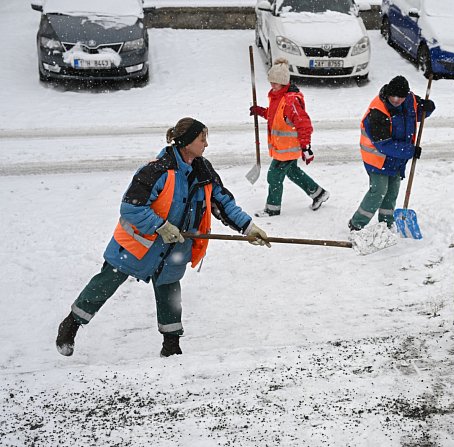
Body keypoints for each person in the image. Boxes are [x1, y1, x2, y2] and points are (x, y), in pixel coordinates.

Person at [56, 117, 271, 358]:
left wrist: (248, 227)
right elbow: (131, 208)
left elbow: (223, 203)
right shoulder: (157, 170)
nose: (206, 145)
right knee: (106, 282)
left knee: (169, 291)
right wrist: (161, 226)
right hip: (138, 244)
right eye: (202, 139)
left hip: (174, 248)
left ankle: (171, 345)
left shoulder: (203, 171)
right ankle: (72, 324)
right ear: (187, 141)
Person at [349, 75, 435, 231]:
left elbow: (417, 112)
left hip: (396, 159)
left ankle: (386, 224)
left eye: (400, 97)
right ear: (388, 93)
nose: (396, 100)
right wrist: (410, 150)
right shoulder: (377, 112)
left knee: (392, 192)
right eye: (393, 96)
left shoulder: (409, 100)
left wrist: (427, 107)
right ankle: (357, 224)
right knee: (378, 192)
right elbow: (384, 145)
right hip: (377, 158)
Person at [249, 58, 329, 217]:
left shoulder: (290, 101)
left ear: (284, 83)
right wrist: (260, 111)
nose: (273, 85)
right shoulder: (276, 96)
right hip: (282, 147)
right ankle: (318, 194)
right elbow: (274, 116)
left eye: (276, 83)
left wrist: (306, 147)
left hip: (288, 148)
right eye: (271, 82)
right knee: (292, 171)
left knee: (274, 175)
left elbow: (304, 124)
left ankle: (272, 208)